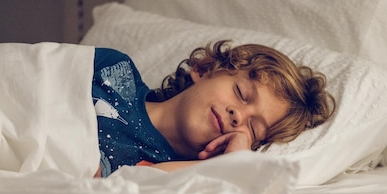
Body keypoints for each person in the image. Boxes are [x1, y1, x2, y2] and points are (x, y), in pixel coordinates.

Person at [92, 40, 335, 177]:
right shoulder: (115, 70)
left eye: (253, 128)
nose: (239, 116)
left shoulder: (179, 176)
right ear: (204, 69)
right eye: (241, 93)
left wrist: (230, 165)